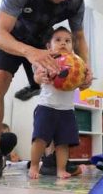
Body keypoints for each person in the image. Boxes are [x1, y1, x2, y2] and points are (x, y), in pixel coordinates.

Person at [0, 0, 92, 179]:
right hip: (11, 38)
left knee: (51, 90)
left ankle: (50, 159)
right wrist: (30, 53)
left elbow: (78, 38)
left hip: (43, 41)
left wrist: (85, 70)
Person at [29, 26, 83, 179]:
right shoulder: (46, 60)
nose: (63, 43)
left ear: (72, 45)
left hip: (66, 109)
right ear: (48, 46)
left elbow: (81, 79)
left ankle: (61, 169)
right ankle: (34, 165)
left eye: (67, 41)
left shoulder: (76, 63)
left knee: (63, 142)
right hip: (47, 106)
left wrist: (85, 79)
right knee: (40, 138)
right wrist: (41, 77)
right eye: (58, 40)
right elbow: (36, 77)